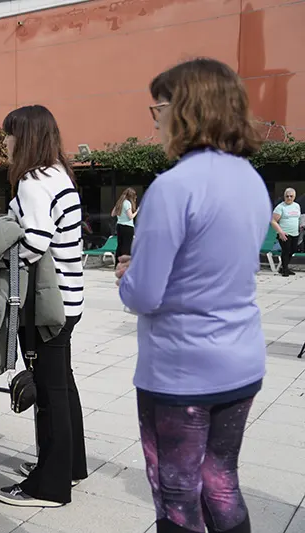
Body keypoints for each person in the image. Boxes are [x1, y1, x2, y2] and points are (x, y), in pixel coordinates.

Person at [117, 58, 268, 533]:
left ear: (184, 110)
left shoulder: (173, 187)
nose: (155, 121)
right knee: (222, 483)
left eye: (158, 108)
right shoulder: (251, 179)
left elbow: (144, 295)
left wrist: (127, 275)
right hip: (241, 360)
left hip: (182, 370)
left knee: (177, 494)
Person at [0, 105, 87, 509]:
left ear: (25, 137)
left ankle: (48, 486)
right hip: (69, 298)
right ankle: (69, 466)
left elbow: (34, 241)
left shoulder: (33, 180)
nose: (5, 142)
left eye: (9, 134)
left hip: (48, 303)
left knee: (50, 392)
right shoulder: (58, 173)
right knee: (62, 384)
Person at [271, 188, 301, 276]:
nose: (289, 198)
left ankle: (284, 267)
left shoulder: (297, 206)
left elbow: (298, 218)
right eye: (287, 196)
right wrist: (280, 232)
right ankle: (284, 269)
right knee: (286, 250)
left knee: (293, 250)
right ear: (284, 196)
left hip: (295, 233)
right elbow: (273, 221)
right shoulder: (280, 207)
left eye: (291, 196)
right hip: (284, 233)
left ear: (294, 197)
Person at [112, 187, 139, 262]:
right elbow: (130, 217)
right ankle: (125, 263)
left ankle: (118, 263)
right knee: (127, 246)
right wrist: (137, 211)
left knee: (120, 246)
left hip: (119, 226)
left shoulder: (119, 203)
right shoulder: (127, 203)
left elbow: (112, 214)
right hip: (128, 227)